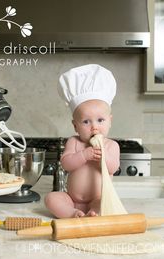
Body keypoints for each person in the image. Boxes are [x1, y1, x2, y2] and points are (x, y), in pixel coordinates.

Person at [45, 64, 120, 218]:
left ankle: (94, 213)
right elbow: (66, 164)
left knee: (105, 204)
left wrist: (102, 156)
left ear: (110, 121)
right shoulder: (74, 142)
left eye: (100, 120)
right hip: (72, 198)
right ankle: (74, 213)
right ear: (75, 126)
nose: (94, 127)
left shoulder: (111, 145)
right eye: (86, 122)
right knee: (51, 199)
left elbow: (112, 168)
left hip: (97, 198)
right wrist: (84, 155)